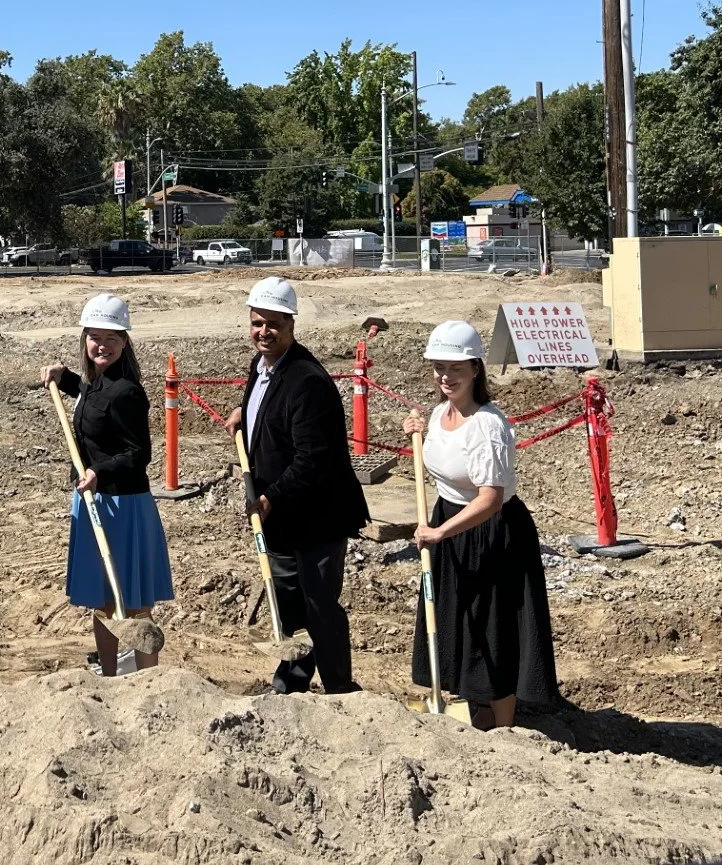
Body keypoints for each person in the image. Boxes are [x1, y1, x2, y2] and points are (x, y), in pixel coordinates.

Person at [400, 320, 559, 730]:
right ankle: (474, 708)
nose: (445, 376)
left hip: (491, 533)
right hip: (452, 526)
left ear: (475, 369)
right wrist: (417, 435)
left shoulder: (488, 426)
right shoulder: (439, 413)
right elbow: (444, 469)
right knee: (458, 619)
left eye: (455, 368)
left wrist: (439, 533)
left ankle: (504, 725)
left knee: (493, 628)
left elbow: (489, 499)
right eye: (438, 367)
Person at [228, 276, 368, 696]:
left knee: (318, 603)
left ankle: (341, 688)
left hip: (316, 516)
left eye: (273, 323)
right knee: (288, 600)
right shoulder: (262, 366)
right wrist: (243, 414)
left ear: (291, 323)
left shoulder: (307, 380)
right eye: (257, 323)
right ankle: (291, 682)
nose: (263, 332)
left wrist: (271, 496)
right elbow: (269, 410)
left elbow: (314, 458)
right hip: (281, 513)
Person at [39, 293, 173, 677]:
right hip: (94, 499)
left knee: (132, 598)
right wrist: (64, 378)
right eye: (94, 336)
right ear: (84, 339)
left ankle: (149, 676)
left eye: (111, 337)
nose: (102, 344)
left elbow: (139, 453)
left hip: (123, 505)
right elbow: (90, 399)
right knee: (102, 597)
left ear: (124, 342)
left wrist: (100, 472)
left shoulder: (128, 391)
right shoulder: (96, 384)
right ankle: (111, 674)